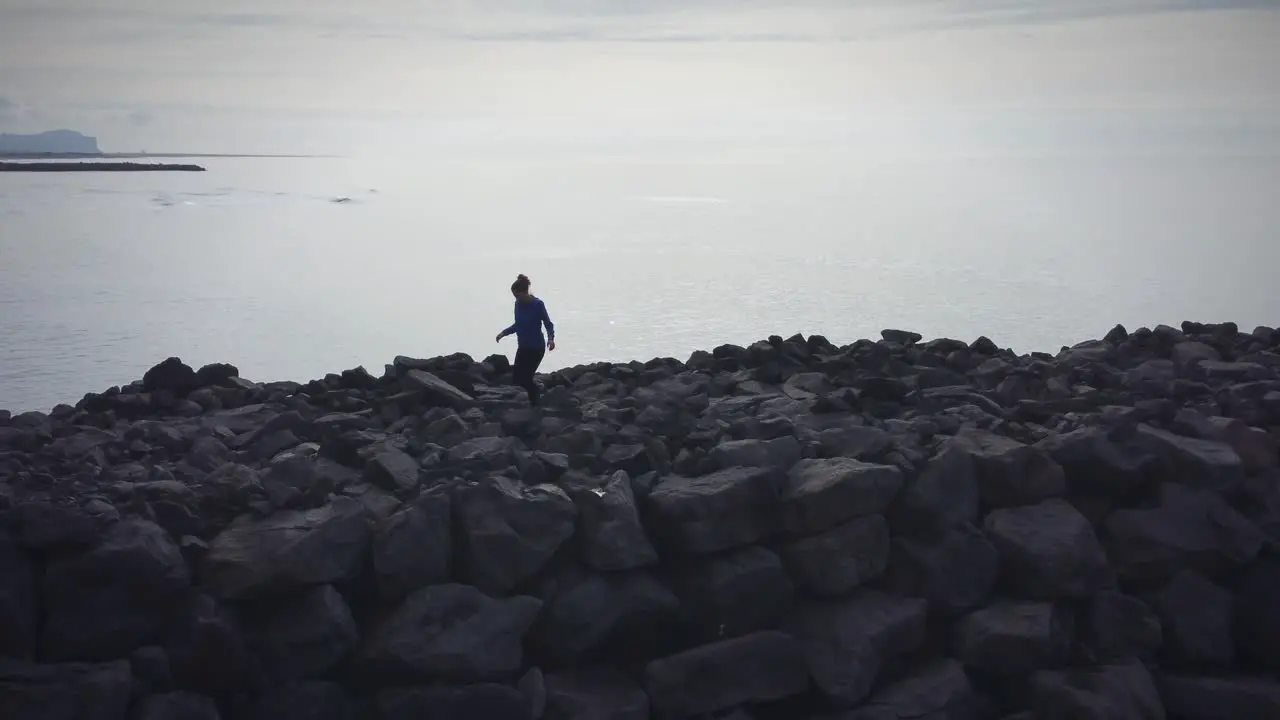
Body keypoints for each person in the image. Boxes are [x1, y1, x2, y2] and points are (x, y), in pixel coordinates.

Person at [495, 273, 555, 405]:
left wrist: (551, 339)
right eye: (514, 296)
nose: (516, 298)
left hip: (536, 348)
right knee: (517, 379)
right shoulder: (518, 304)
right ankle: (533, 394)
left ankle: (536, 402)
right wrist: (503, 333)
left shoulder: (538, 304)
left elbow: (548, 323)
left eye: (517, 295)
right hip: (523, 347)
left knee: (526, 378)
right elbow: (518, 324)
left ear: (524, 292)